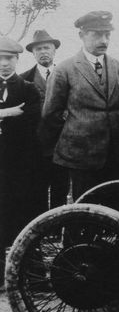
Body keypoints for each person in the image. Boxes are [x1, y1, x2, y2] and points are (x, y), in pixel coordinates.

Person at [41, 11, 119, 200]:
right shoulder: (64, 70)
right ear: (81, 36)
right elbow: (51, 114)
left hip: (118, 152)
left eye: (107, 35)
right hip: (82, 155)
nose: (104, 40)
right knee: (86, 207)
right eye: (97, 34)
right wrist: (75, 134)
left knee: (118, 206)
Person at [0, 37, 43, 284]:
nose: (4, 64)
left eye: (9, 59)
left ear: (17, 60)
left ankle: (32, 274)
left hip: (21, 164)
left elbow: (31, 119)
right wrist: (8, 112)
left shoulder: (28, 89)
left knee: (25, 215)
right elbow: (19, 116)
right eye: (0, 59)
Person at [20, 29, 69, 209]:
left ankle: (59, 226)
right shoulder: (24, 79)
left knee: (61, 188)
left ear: (54, 50)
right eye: (38, 49)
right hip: (36, 146)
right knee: (37, 189)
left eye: (46, 47)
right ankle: (40, 230)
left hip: (62, 144)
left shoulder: (66, 74)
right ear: (33, 53)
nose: (43, 52)